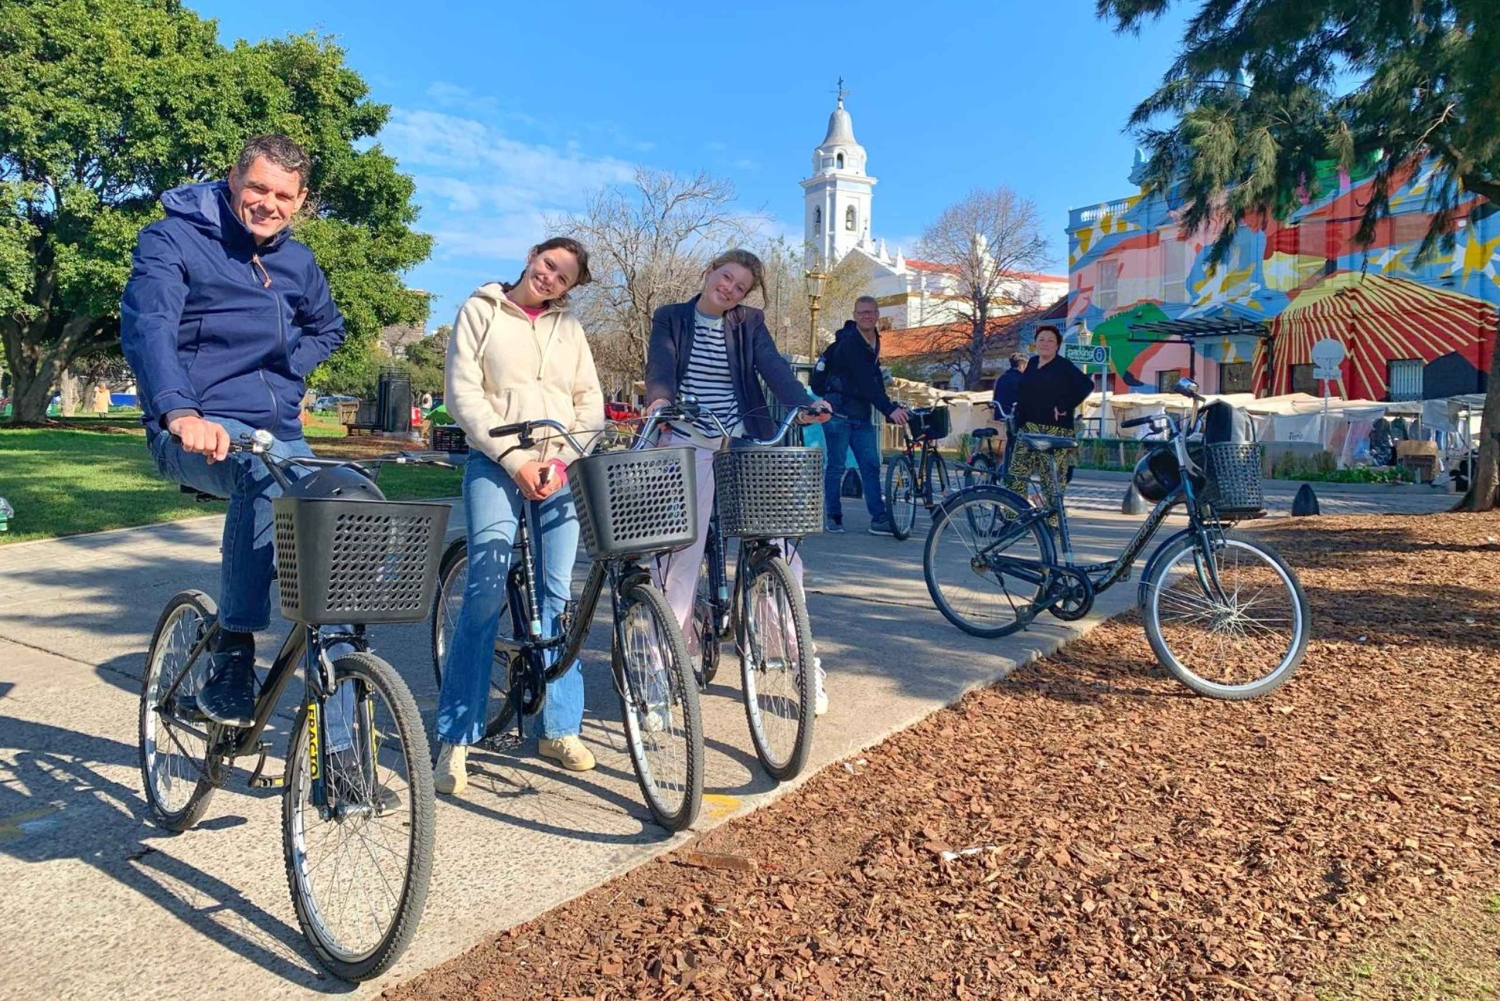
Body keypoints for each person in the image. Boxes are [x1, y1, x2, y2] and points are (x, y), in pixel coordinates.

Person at [121, 135, 354, 730]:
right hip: (198, 426)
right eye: (258, 188)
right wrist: (179, 411)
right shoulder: (172, 239)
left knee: (350, 504)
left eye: (284, 195)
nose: (268, 204)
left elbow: (328, 328)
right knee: (261, 476)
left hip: (279, 430)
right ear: (233, 179)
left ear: (301, 200)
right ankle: (233, 651)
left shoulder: (297, 261)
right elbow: (150, 326)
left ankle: (343, 745)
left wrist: (289, 372)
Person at [434, 237, 604, 796]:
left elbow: (589, 404)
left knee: (557, 596)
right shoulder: (480, 310)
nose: (550, 278)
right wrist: (514, 460)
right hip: (495, 463)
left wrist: (561, 461)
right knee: (484, 592)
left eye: (563, 277)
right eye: (548, 265)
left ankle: (560, 728)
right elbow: (463, 395)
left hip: (558, 468)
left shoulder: (569, 329)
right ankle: (456, 736)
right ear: (533, 256)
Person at [643, 249, 833, 713]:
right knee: (682, 555)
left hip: (741, 441)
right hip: (686, 438)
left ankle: (797, 658)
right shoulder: (671, 317)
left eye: (740, 287)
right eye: (725, 277)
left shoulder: (748, 323)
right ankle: (663, 665)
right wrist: (660, 402)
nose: (728, 289)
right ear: (709, 271)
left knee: (780, 550)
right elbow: (660, 369)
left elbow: (774, 369)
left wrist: (804, 402)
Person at [816, 296, 909, 535]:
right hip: (838, 414)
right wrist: (889, 409)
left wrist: (889, 405)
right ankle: (834, 516)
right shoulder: (850, 343)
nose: (866, 316)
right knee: (836, 465)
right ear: (855, 316)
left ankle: (879, 518)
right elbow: (866, 382)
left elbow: (874, 378)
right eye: (861, 313)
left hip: (861, 414)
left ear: (877, 314)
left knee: (870, 465)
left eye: (870, 312)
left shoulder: (874, 339)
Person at [1006, 326, 1093, 518]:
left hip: (1054, 431)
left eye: (1050, 340)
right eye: (1041, 339)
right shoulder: (1032, 363)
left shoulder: (1063, 366)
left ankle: (1052, 524)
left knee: (1051, 481)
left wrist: (1064, 405)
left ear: (1057, 345)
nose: (1045, 343)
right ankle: (1015, 519)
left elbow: (1087, 385)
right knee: (1016, 475)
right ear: (1035, 343)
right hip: (1028, 428)